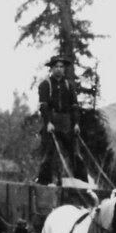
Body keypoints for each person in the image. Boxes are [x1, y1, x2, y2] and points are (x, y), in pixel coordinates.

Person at [35, 54, 86, 184]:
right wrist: (48, 123)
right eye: (56, 66)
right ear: (51, 69)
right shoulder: (45, 85)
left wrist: (76, 124)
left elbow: (74, 106)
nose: (59, 69)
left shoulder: (69, 86)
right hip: (52, 121)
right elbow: (44, 106)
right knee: (48, 155)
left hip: (66, 122)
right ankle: (43, 183)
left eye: (61, 67)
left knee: (75, 154)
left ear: (64, 69)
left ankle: (82, 183)